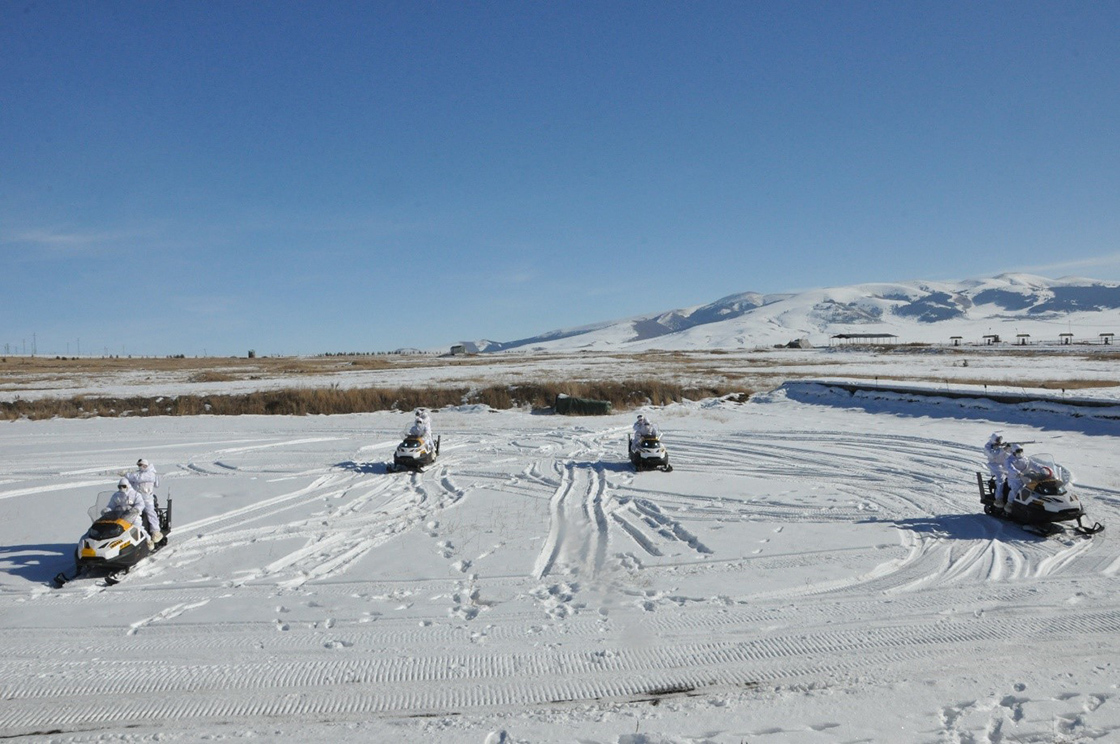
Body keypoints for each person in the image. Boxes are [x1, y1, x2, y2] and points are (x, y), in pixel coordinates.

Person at [127, 458, 163, 544]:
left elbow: (139, 478)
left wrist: (127, 475)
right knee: (132, 513)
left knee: (151, 513)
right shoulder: (137, 474)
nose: (139, 467)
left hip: (147, 499)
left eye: (141, 465)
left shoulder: (150, 474)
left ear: (145, 465)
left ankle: (156, 532)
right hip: (138, 499)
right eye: (138, 465)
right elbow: (132, 482)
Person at [1003, 444, 1031, 514]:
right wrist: (1017, 472)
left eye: (1021, 451)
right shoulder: (1009, 459)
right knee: (1016, 490)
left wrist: (1042, 469)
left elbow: (1033, 464)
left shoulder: (1025, 458)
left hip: (1025, 478)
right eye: (1018, 451)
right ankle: (1009, 504)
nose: (1019, 453)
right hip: (1014, 479)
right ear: (1013, 452)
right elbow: (1010, 467)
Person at [984, 432, 1010, 505]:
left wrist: (1010, 448)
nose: (999, 441)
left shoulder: (1000, 446)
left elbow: (1007, 454)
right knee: (1000, 481)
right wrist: (1003, 449)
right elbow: (993, 454)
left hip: (1003, 465)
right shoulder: (987, 446)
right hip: (994, 465)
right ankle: (998, 499)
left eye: (1000, 439)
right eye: (997, 439)